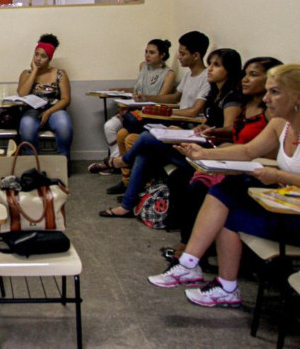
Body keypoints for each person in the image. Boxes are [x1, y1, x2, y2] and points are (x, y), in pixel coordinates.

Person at [147, 63, 300, 308]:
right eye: (268, 91)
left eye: (275, 92)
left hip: (293, 215)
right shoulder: (280, 125)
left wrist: (278, 175)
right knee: (226, 191)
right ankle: (203, 273)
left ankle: (199, 271)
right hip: (285, 207)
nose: (267, 98)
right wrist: (203, 153)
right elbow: (248, 150)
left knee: (229, 208)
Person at [99, 48, 243, 217]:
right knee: (144, 153)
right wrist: (186, 131)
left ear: (230, 70)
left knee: (146, 137)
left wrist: (202, 132)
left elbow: (229, 130)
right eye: (210, 63)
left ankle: (123, 161)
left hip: (207, 152)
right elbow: (207, 122)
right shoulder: (215, 94)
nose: (210, 69)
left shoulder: (232, 97)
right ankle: (127, 206)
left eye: (216, 65)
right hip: (195, 140)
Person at [171, 57, 283, 253]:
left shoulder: (274, 115)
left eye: (253, 75)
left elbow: (255, 149)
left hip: (256, 170)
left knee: (205, 189)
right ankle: (191, 250)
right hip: (238, 160)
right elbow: (243, 140)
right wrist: (215, 134)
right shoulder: (245, 103)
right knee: (182, 178)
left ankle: (193, 251)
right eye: (245, 74)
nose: (246, 79)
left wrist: (209, 151)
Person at [103, 31, 212, 196]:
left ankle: (137, 183)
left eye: (182, 54)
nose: (178, 58)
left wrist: (165, 113)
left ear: (196, 55)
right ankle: (126, 182)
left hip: (185, 125)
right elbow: (175, 97)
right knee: (122, 133)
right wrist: (148, 99)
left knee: (132, 138)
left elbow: (194, 111)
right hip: (176, 120)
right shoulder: (189, 75)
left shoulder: (205, 78)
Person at [88, 39, 175, 175]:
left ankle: (114, 163)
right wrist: (122, 90)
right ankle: (115, 160)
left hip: (148, 113)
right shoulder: (143, 66)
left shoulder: (169, 74)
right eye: (146, 52)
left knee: (125, 130)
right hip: (132, 109)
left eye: (152, 53)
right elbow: (137, 90)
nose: (147, 55)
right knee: (109, 126)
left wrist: (143, 99)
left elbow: (161, 100)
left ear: (162, 55)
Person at [17, 33, 73, 160]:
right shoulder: (26, 74)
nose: (38, 59)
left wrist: (49, 111)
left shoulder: (60, 74)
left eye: (43, 56)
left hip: (55, 110)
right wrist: (34, 71)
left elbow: (66, 99)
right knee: (26, 124)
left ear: (49, 59)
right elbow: (22, 94)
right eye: (36, 54)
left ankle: (63, 161)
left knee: (64, 124)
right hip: (32, 111)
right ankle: (34, 161)